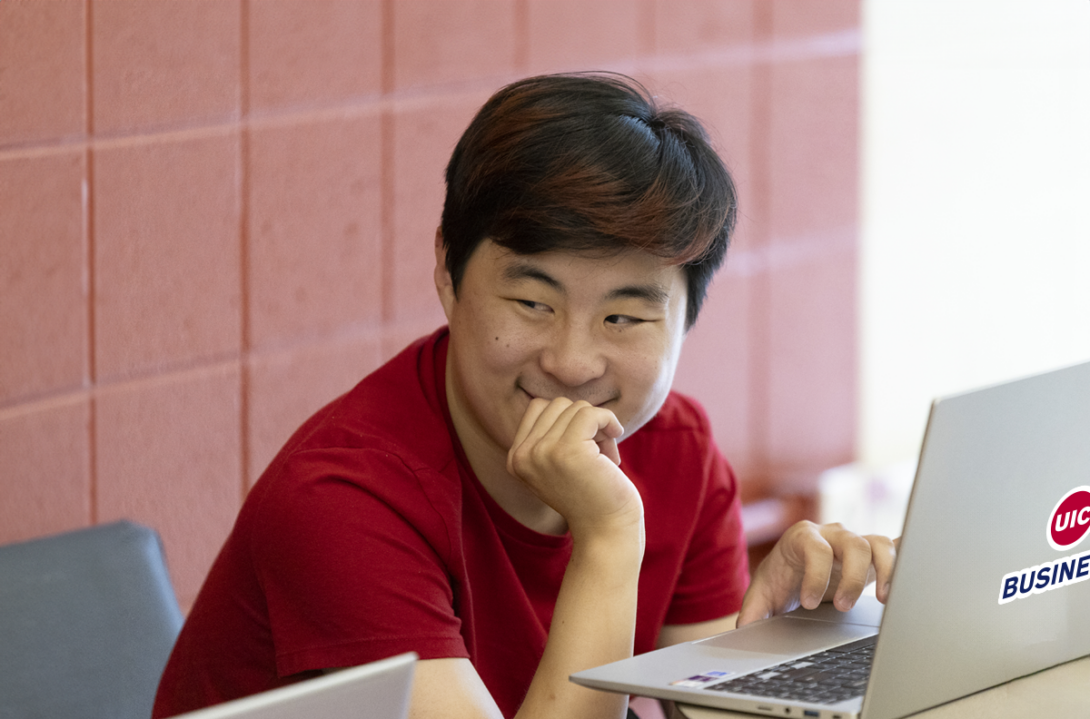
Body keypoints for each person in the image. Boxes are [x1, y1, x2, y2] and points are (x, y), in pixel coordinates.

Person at [152, 73, 895, 719]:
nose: (572, 363)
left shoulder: (675, 448)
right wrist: (607, 536)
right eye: (533, 303)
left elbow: (700, 704)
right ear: (447, 271)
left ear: (686, 322)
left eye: (624, 317)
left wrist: (791, 634)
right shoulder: (344, 500)